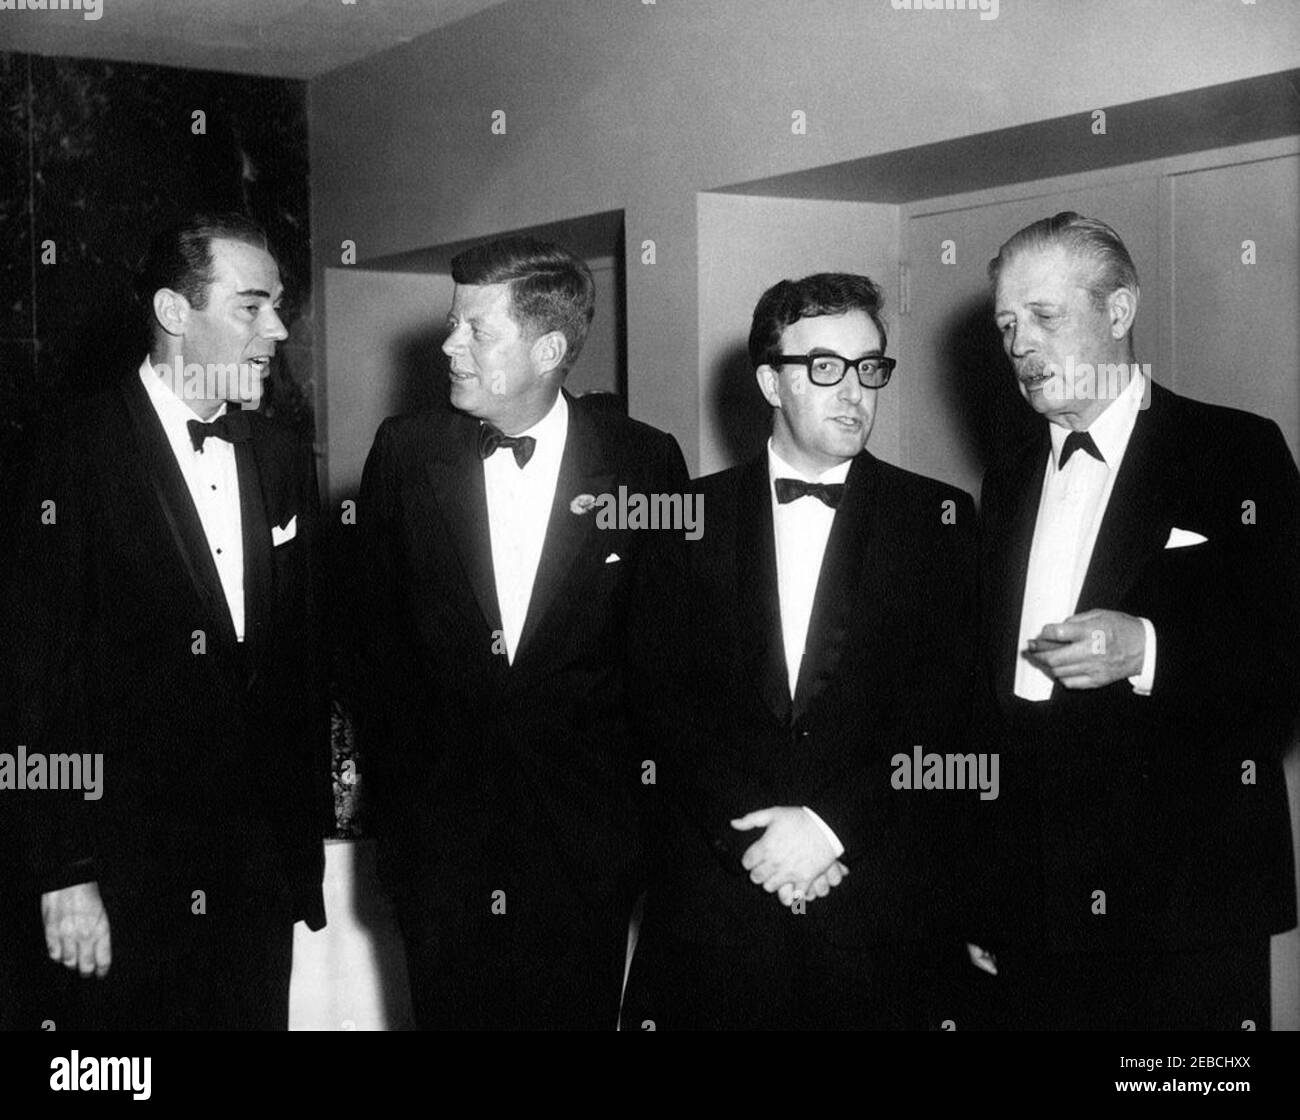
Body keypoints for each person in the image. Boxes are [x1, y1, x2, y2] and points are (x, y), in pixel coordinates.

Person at [965, 211, 1300, 1030]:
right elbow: (992, 711)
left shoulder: (1235, 451)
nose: (1020, 345)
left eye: (1045, 317)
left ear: (1119, 312)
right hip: (1035, 909)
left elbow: (1286, 655)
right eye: (1007, 325)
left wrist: (1147, 648)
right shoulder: (1006, 479)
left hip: (1186, 904)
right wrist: (984, 893)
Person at [621, 273, 978, 1030]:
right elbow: (660, 708)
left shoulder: (940, 519)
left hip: (879, 919)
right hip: (720, 922)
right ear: (769, 383)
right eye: (824, 367)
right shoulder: (683, 520)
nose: (854, 391)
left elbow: (948, 711)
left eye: (869, 367)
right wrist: (756, 845)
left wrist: (827, 828)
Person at [2, 212, 330, 1030]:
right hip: (121, 880)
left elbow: (290, 666)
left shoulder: (282, 455)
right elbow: (32, 682)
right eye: (252, 308)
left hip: (254, 882)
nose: (278, 329)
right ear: (175, 313)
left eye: (278, 307)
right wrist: (62, 873)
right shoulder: (65, 451)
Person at [357, 235, 688, 1030]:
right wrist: (401, 806)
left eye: (476, 329)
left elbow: (668, 660)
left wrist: (638, 833)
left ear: (546, 349)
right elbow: (370, 644)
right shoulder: (405, 453)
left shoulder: (644, 463)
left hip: (585, 853)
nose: (448, 345)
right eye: (451, 324)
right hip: (440, 851)